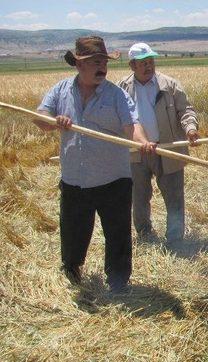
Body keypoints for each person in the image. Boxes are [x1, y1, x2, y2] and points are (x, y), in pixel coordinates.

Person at [34, 36, 155, 293]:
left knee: (118, 235)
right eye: (95, 62)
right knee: (73, 233)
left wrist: (143, 143)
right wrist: (55, 120)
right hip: (75, 180)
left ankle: (118, 282)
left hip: (114, 180)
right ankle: (72, 272)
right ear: (79, 65)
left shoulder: (116, 95)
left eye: (104, 62)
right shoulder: (60, 90)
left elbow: (131, 125)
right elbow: (40, 119)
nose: (102, 67)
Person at [117, 42, 200, 245]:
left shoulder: (170, 85)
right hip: (136, 152)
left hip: (168, 150)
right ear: (132, 66)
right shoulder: (121, 89)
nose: (149, 66)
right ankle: (145, 235)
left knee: (174, 197)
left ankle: (175, 239)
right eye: (143, 63)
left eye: (151, 61)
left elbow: (186, 110)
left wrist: (190, 128)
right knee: (139, 197)